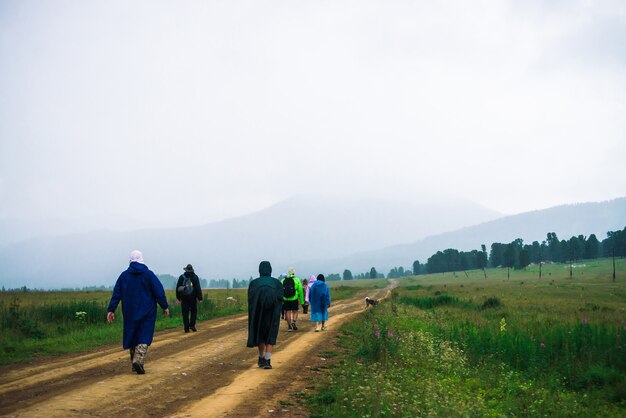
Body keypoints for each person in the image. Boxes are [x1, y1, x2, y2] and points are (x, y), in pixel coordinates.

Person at [107, 250, 169, 374]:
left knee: (132, 334)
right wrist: (164, 306)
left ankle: (133, 361)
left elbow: (116, 293)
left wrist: (111, 309)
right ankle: (138, 360)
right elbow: (159, 291)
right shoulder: (148, 275)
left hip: (130, 311)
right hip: (147, 311)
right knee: (144, 334)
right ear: (141, 259)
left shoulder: (124, 276)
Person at [247, 261, 283, 369]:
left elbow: (250, 300)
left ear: (260, 270)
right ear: (270, 270)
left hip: (258, 312)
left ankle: (261, 358)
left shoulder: (254, 283)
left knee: (260, 332)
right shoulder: (277, 283)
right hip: (273, 312)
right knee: (271, 332)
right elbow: (281, 298)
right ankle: (268, 360)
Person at [176, 264, 203, 333]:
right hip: (192, 297)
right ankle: (192, 325)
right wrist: (200, 298)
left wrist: (178, 297)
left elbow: (178, 288)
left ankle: (186, 328)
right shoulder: (195, 277)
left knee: (185, 313)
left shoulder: (181, 277)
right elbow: (198, 288)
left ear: (186, 270)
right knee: (194, 311)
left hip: (184, 297)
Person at [281, 267, 304, 331]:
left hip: (286, 299)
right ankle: (293, 322)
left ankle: (289, 327)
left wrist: (282, 301)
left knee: (287, 312)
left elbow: (280, 291)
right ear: (294, 273)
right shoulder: (297, 280)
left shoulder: (283, 280)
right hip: (294, 298)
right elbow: (300, 291)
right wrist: (302, 301)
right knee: (295, 311)